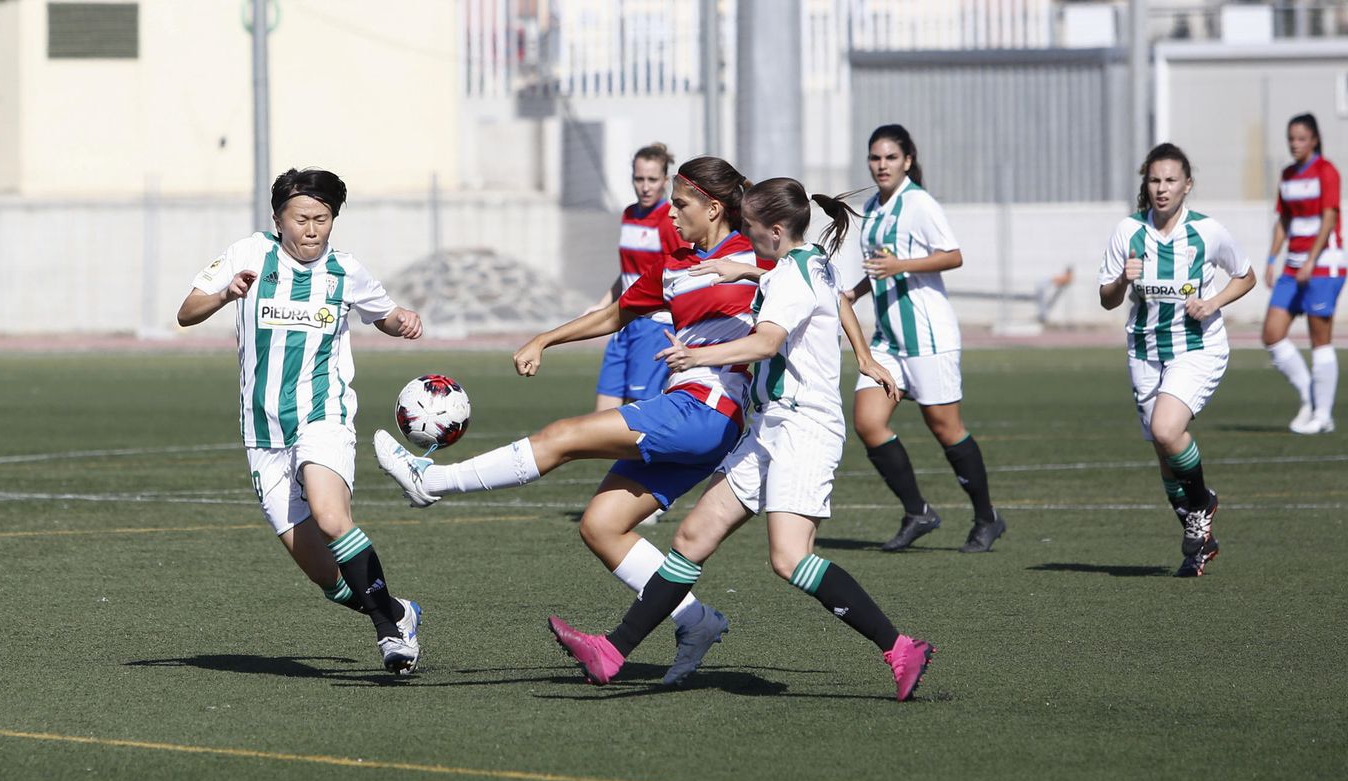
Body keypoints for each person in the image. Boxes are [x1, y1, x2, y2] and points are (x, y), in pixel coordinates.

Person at [375, 156, 766, 685]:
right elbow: (615, 314)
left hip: (706, 411)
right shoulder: (676, 264)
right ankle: (695, 621)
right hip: (691, 413)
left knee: (562, 438)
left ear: (714, 208)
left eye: (680, 204)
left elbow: (805, 281)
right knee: (602, 526)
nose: (671, 214)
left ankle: (431, 481)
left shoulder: (752, 257)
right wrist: (545, 339)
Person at [547, 177, 935, 699]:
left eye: (750, 230)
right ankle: (611, 652)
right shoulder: (809, 260)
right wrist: (860, 355)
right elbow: (838, 299)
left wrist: (697, 356)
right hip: (769, 426)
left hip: (805, 430)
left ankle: (901, 647)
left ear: (774, 230)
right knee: (692, 538)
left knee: (789, 559)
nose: (744, 238)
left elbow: (766, 342)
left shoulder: (791, 277)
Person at [178, 167, 426, 674]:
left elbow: (383, 313)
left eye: (322, 219)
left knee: (331, 517)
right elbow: (187, 311)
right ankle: (398, 612)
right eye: (301, 219)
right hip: (263, 430)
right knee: (328, 579)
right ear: (278, 220)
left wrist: (402, 321)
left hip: (323, 414)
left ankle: (390, 635)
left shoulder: (346, 271)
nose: (312, 230)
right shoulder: (249, 254)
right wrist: (226, 294)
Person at [841, 124, 1005, 554]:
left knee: (945, 428)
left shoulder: (919, 204)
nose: (882, 165)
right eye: (875, 157)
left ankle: (987, 517)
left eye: (891, 157)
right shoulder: (872, 207)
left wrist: (902, 266)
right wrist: (854, 292)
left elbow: (953, 255)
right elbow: (880, 266)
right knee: (868, 423)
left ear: (908, 161)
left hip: (928, 336)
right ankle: (918, 512)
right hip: (888, 339)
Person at [1098, 144, 1256, 577]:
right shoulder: (1128, 231)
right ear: (1145, 185)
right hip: (1145, 352)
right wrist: (1121, 279)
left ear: (1188, 185)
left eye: (1170, 180)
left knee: (1166, 429)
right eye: (1154, 180)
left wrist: (1213, 302)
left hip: (1197, 348)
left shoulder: (1207, 231)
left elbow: (1246, 276)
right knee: (1164, 452)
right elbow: (1107, 299)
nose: (1162, 188)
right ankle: (1200, 544)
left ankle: (1202, 504)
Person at [1263, 113, 1345, 434]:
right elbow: (1284, 220)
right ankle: (1310, 396)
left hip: (1324, 265)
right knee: (1272, 333)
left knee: (1319, 340)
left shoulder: (1327, 171)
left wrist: (1311, 260)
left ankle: (1323, 416)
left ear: (1314, 140)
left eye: (1301, 138)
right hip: (1292, 266)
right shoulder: (1287, 175)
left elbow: (1329, 218)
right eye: (1291, 139)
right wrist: (1272, 259)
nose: (1295, 144)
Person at [593, 143, 683, 413]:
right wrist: (601, 306)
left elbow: (681, 273)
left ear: (665, 181)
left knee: (639, 412)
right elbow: (630, 273)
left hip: (652, 326)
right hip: (623, 321)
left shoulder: (669, 220)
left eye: (652, 180)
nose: (645, 187)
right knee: (603, 412)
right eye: (639, 179)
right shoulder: (629, 214)